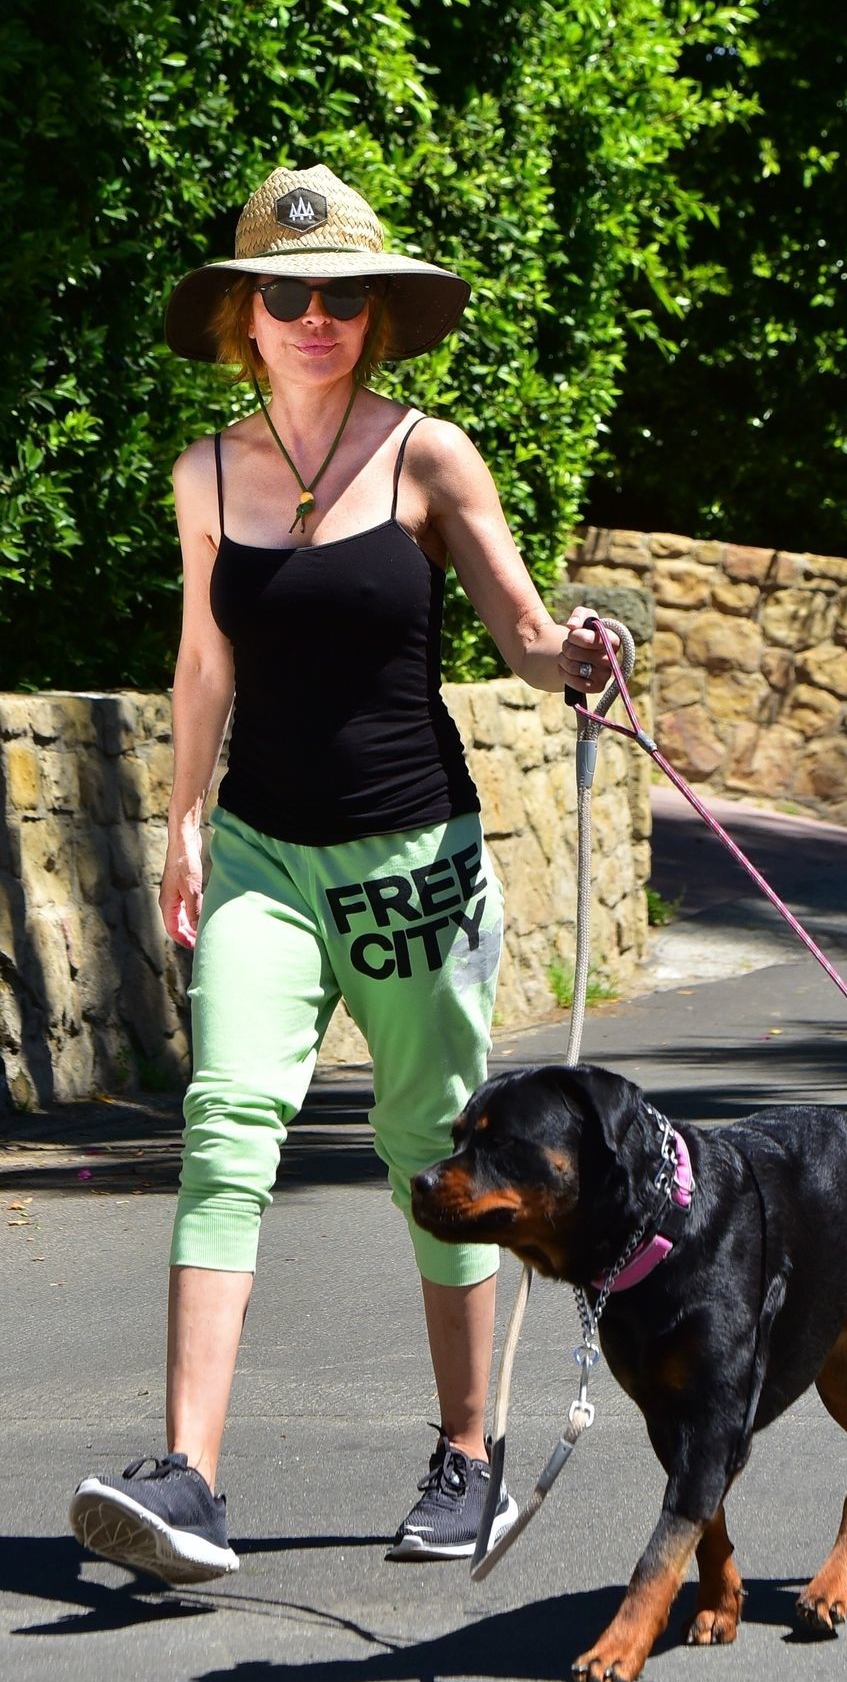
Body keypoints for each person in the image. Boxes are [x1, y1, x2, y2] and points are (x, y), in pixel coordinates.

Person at [68, 162, 615, 1583]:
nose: (316, 316)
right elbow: (204, 661)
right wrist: (185, 821)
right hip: (262, 852)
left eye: (343, 297)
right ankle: (189, 1478)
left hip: (410, 860)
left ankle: (469, 1458)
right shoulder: (206, 472)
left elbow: (522, 633)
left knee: (434, 1152)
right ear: (244, 316)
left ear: (374, 319)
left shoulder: (428, 456)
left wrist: (577, 657)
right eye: (288, 295)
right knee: (224, 1126)